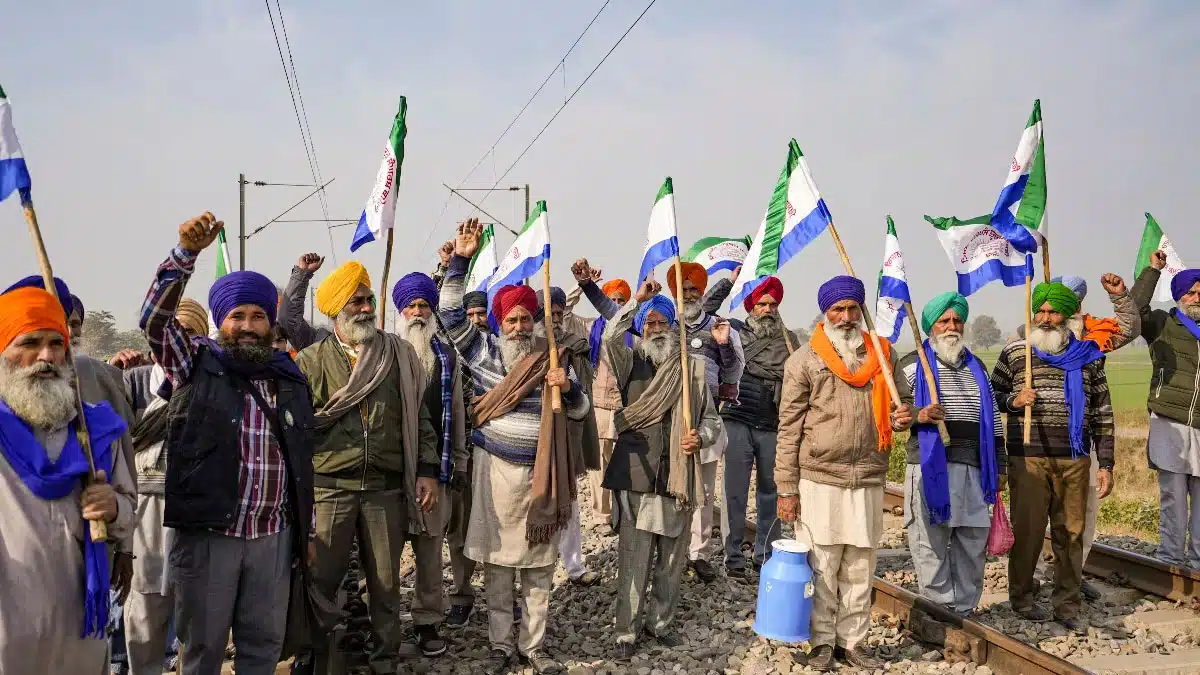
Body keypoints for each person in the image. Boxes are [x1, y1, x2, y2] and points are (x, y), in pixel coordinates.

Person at [139, 212, 316, 675]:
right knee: (202, 653)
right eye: (237, 316)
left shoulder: (289, 377)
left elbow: (301, 461)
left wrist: (306, 529)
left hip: (271, 538)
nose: (249, 325)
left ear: (271, 322)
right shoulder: (194, 363)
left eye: (258, 316)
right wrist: (185, 255)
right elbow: (155, 322)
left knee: (263, 649)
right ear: (221, 322)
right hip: (210, 535)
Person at [439, 219, 589, 675]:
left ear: (534, 320)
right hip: (494, 474)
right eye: (512, 319)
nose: (520, 325)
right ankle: (501, 644)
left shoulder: (552, 358)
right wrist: (461, 260)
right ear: (501, 323)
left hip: (541, 478)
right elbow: (448, 316)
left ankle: (534, 645)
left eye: (526, 318)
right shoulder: (483, 352)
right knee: (500, 568)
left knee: (539, 568)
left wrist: (568, 389)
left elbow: (581, 412)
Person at [293, 262, 442, 672]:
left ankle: (384, 659)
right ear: (335, 311)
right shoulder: (310, 360)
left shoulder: (398, 353)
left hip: (384, 486)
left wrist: (427, 469)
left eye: (368, 300)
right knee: (322, 578)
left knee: (386, 581)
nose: (364, 308)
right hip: (330, 486)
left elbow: (420, 417)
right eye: (355, 301)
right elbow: (301, 427)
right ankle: (319, 656)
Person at [0, 283, 137, 673]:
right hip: (8, 623)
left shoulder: (96, 429)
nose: (46, 356)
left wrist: (113, 507)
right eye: (30, 342)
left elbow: (128, 506)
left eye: (56, 343)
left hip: (78, 619)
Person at [775, 275, 898, 671]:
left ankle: (853, 641)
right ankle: (822, 642)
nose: (846, 317)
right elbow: (789, 428)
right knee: (823, 564)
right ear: (825, 314)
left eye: (852, 309)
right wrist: (786, 488)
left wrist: (905, 416)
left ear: (862, 311)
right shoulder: (804, 360)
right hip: (818, 476)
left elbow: (900, 409)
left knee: (861, 564)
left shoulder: (882, 355)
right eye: (837, 310)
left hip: (868, 475)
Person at [601, 284, 721, 659]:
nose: (655, 327)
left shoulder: (693, 369)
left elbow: (714, 421)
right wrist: (634, 303)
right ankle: (626, 633)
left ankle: (661, 624)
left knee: (672, 560)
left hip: (678, 476)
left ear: (673, 326)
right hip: (637, 473)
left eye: (662, 321)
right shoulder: (628, 362)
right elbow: (608, 336)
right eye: (648, 322)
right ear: (641, 327)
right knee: (635, 560)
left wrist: (699, 437)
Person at [990, 281, 1114, 633]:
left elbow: (1103, 412)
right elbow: (993, 395)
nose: (1044, 318)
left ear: (1067, 315)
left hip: (1074, 458)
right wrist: (1014, 401)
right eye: (1039, 311)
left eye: (1052, 311)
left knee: (1071, 534)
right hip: (1028, 458)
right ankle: (1023, 597)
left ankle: (1067, 602)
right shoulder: (1016, 353)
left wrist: (1106, 463)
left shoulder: (1089, 355)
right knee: (1029, 531)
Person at [894, 292, 1005, 617]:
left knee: (972, 539)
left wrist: (1000, 465)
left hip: (974, 467)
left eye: (957, 320)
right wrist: (919, 414)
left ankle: (965, 610)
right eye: (944, 321)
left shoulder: (977, 366)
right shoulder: (914, 365)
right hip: (930, 466)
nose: (951, 326)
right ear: (931, 326)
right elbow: (894, 413)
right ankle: (940, 612)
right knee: (930, 540)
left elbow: (993, 419)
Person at [390, 271, 469, 655]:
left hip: (435, 472)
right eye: (411, 306)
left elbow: (455, 410)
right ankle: (382, 624)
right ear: (400, 312)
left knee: (429, 552)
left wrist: (458, 465)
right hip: (389, 475)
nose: (418, 312)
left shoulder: (446, 355)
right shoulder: (384, 352)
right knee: (382, 557)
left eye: (424, 305)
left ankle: (427, 622)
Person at [1051, 273, 1140, 599]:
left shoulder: (1094, 337)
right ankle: (1031, 578)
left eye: (1072, 300)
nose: (1065, 306)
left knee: (1083, 516)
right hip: (1040, 441)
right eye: (1059, 298)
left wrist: (1120, 298)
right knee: (1039, 514)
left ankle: (1073, 575)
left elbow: (1129, 330)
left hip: (1082, 442)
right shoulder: (1030, 333)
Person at [701, 275, 796, 578]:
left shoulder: (789, 341)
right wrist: (730, 280)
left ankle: (765, 554)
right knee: (735, 493)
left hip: (772, 423)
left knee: (771, 491)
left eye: (772, 303)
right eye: (762, 303)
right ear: (751, 306)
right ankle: (733, 558)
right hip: (738, 420)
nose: (768, 308)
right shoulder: (734, 333)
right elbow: (707, 309)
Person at [666, 261, 743, 583]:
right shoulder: (665, 324)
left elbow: (732, 372)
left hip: (707, 419)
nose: (688, 294)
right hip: (668, 419)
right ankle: (672, 551)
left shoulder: (720, 327)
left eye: (693, 289)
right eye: (682, 291)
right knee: (670, 488)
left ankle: (698, 554)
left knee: (704, 490)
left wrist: (723, 346)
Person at [1131, 253, 1200, 569]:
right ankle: (1171, 559)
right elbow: (1133, 312)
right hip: (1169, 420)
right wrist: (1152, 270)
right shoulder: (1162, 323)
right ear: (1179, 295)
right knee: (1173, 495)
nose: (1196, 298)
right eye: (1191, 292)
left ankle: (1197, 563)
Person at [537, 285, 602, 588]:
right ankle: (537, 569)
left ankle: (574, 567)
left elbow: (581, 389)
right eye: (550, 313)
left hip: (567, 431)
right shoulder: (524, 347)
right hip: (533, 438)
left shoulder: (575, 346)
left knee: (570, 503)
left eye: (560, 313)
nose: (556, 319)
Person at [563, 266, 630, 526]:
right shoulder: (589, 328)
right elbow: (565, 311)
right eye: (611, 299)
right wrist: (582, 285)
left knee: (624, 467)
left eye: (621, 301)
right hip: (600, 406)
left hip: (625, 407)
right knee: (600, 467)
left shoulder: (631, 333)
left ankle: (623, 518)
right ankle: (602, 518)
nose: (615, 305)